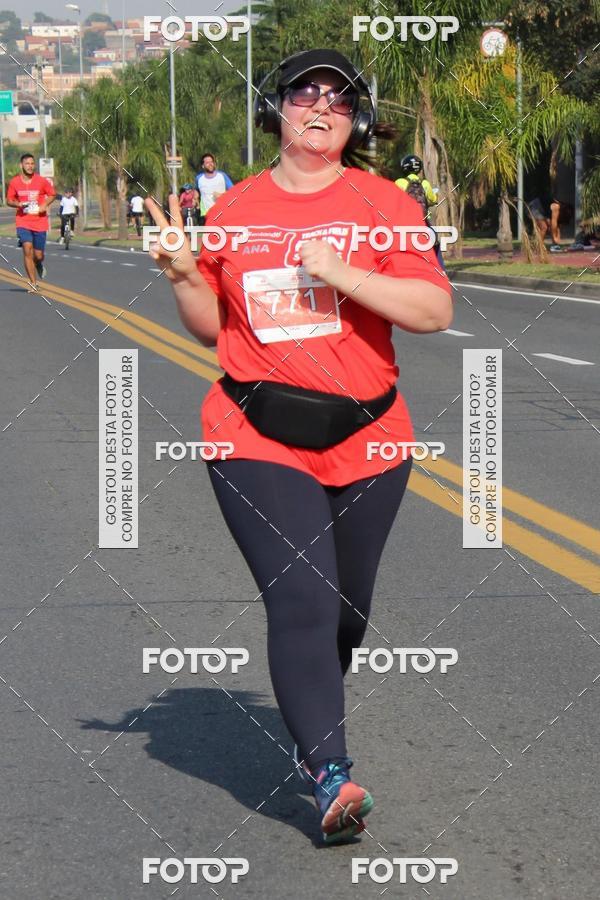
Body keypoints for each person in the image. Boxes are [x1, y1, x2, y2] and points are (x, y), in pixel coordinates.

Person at [146, 49, 452, 844]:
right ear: (275, 108)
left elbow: (431, 312)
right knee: (303, 600)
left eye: (339, 98)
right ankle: (330, 774)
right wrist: (184, 274)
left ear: (357, 119)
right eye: (304, 93)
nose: (321, 106)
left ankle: (309, 716)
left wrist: (343, 272)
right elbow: (215, 329)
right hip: (253, 431)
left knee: (346, 612)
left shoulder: (386, 204)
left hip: (370, 436)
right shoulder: (237, 207)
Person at [6, 152, 56, 291]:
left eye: (32, 163)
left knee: (38, 255)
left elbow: (52, 194)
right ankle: (33, 283)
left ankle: (38, 263)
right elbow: (9, 200)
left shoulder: (41, 181)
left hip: (40, 222)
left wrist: (44, 204)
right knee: (27, 249)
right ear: (21, 165)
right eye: (27, 163)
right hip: (23, 221)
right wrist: (18, 204)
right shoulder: (15, 182)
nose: (30, 166)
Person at [394, 155, 444, 270]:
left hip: (404, 225)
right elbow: (433, 200)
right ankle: (441, 271)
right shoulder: (425, 184)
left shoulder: (399, 182)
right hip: (422, 224)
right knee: (436, 243)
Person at [194, 153, 233, 225]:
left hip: (222, 213)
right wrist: (195, 198)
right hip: (207, 214)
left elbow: (234, 191)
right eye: (207, 163)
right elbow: (196, 189)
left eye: (211, 162)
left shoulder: (222, 176)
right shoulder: (199, 178)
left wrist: (222, 195)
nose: (210, 164)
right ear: (203, 166)